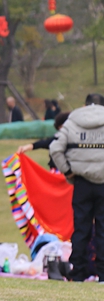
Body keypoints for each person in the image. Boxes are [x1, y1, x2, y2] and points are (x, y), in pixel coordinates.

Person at [50, 94, 104, 282]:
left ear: (85, 104)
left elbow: (55, 148)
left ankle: (78, 271)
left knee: (81, 228)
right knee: (103, 229)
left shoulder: (74, 120)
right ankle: (102, 274)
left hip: (81, 183)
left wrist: (67, 171)